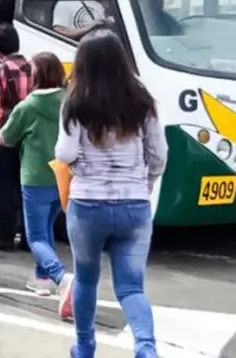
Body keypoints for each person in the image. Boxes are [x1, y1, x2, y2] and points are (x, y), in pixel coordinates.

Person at [55, 30, 167, 358]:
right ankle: (146, 350)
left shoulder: (75, 102)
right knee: (131, 287)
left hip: (88, 204)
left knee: (87, 280)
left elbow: (64, 153)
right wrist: (148, 180)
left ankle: (85, 348)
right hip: (134, 205)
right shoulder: (142, 101)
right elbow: (159, 152)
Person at [0, 52, 71, 302]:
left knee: (36, 236)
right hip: (62, 175)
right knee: (46, 227)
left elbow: (7, 137)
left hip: (35, 176)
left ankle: (61, 277)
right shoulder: (68, 102)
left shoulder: (28, 105)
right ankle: (42, 280)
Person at [0, 24, 32, 251]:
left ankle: (6, 235)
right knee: (25, 186)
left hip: (3, 136)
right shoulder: (34, 67)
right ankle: (28, 236)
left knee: (4, 187)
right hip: (30, 136)